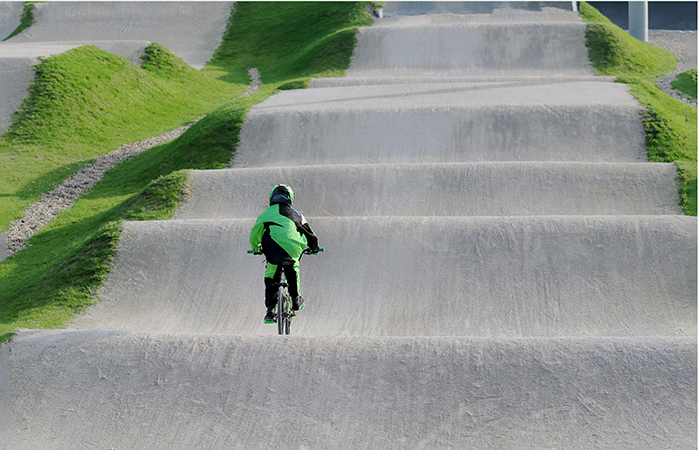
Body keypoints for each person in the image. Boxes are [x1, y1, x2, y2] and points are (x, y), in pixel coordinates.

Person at [250, 184, 320, 323]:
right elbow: (310, 235)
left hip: (272, 248)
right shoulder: (297, 214)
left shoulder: (266, 214)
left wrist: (256, 248)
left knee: (272, 274)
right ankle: (295, 299)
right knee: (293, 267)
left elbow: (254, 234)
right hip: (293, 248)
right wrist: (314, 248)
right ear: (290, 198)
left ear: (271, 198)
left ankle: (270, 312)